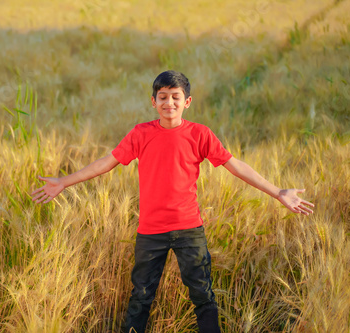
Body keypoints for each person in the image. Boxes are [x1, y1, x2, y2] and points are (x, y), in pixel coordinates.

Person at [31, 70, 314, 333]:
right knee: (141, 296)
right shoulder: (141, 133)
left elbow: (235, 165)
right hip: (150, 231)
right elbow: (107, 162)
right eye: (163, 97)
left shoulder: (200, 134)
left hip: (189, 229)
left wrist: (278, 192)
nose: (169, 103)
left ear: (187, 101)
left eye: (175, 97)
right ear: (153, 102)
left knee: (203, 294)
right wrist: (64, 182)